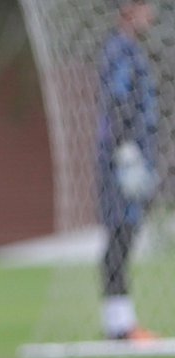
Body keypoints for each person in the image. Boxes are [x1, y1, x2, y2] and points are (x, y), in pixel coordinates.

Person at [97, 0, 159, 340]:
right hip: (121, 158)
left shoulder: (131, 49)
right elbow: (118, 101)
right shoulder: (120, 50)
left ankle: (120, 321)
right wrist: (126, 150)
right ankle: (119, 324)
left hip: (131, 154)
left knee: (126, 235)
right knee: (120, 235)